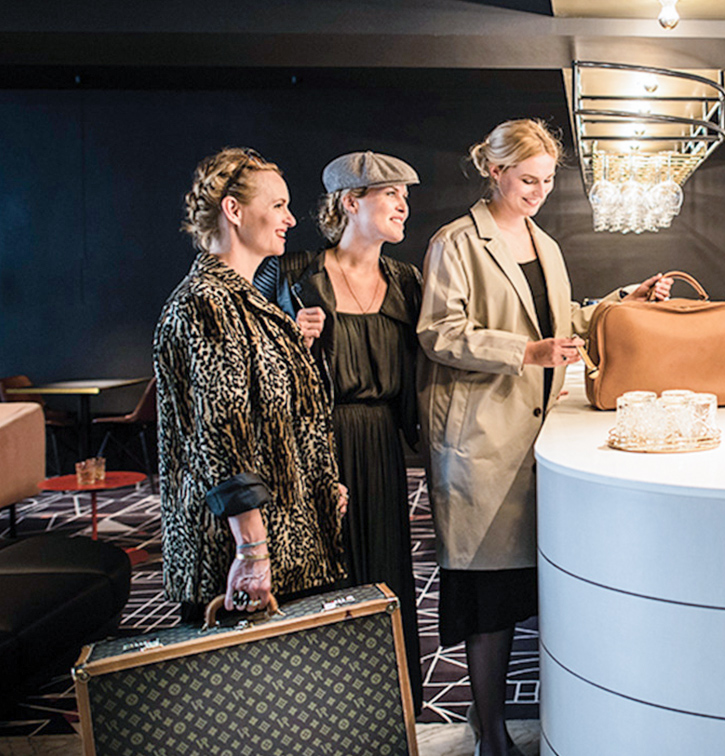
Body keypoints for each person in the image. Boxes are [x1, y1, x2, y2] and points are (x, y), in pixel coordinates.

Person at [417, 118, 671, 756]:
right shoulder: (456, 242)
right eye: (527, 180)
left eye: (548, 181)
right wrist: (526, 353)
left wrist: (625, 298)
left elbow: (564, 320)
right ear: (495, 171)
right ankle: (492, 736)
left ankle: (503, 724)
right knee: (490, 600)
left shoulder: (545, 244)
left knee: (524, 588)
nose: (538, 192)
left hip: (535, 434)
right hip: (483, 438)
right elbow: (439, 333)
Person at [254, 150, 425, 710]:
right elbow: (253, 369)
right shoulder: (290, 273)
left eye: (405, 195)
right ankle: (324, 712)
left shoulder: (406, 280)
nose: (403, 205)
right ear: (351, 202)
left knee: (384, 574)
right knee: (323, 578)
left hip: (383, 448)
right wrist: (293, 339)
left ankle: (391, 709)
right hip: (316, 452)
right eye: (390, 194)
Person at [154, 147, 347, 625]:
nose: (290, 219)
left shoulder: (247, 303)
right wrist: (252, 550)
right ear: (234, 210)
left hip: (285, 543)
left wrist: (319, 481)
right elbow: (224, 436)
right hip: (236, 557)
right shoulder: (206, 303)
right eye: (278, 205)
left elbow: (277, 416)